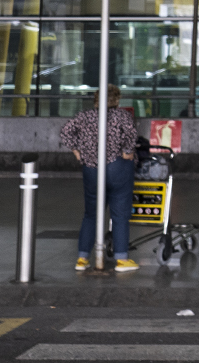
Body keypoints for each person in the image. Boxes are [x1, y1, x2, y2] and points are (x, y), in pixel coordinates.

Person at [60, 84, 140, 272]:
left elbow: (65, 132)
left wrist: (77, 152)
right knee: (119, 214)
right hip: (117, 167)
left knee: (91, 214)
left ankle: (82, 258)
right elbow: (130, 135)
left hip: (91, 168)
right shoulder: (122, 116)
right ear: (117, 100)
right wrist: (128, 152)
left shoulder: (84, 116)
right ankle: (121, 259)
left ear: (96, 100)